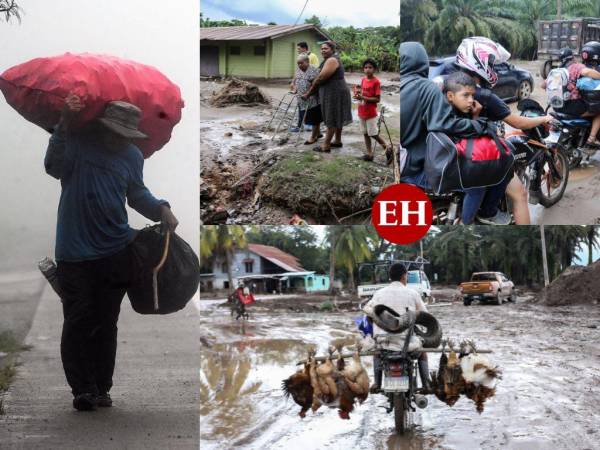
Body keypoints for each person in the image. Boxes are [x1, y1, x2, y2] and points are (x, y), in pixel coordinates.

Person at [44, 94, 179, 411]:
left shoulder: (132, 156)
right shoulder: (76, 143)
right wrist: (63, 123)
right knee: (78, 319)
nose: (120, 141)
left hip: (116, 250)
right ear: (102, 128)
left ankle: (102, 388)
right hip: (74, 252)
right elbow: (52, 167)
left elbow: (137, 193)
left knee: (107, 321)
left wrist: (161, 209)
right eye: (115, 134)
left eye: (126, 136)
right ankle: (82, 388)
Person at [400, 41, 512, 225]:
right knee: (478, 185)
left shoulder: (407, 85)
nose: (469, 99)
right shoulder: (426, 87)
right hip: (416, 168)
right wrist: (482, 126)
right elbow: (444, 125)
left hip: (405, 162)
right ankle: (468, 224)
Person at [443, 72, 530, 224]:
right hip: (458, 163)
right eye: (466, 96)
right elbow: (517, 123)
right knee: (503, 167)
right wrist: (482, 123)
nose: (471, 100)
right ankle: (484, 214)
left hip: (452, 158)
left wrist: (475, 115)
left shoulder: (443, 104)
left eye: (472, 95)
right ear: (450, 96)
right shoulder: (452, 116)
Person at [362, 263, 431, 393]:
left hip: (384, 344)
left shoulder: (379, 294)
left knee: (377, 354)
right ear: (404, 276)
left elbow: (367, 310)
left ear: (390, 277)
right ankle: (426, 384)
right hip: (407, 344)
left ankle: (377, 383)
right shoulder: (413, 293)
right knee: (422, 353)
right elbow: (425, 315)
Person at [302, 41, 353, 153]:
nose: (323, 50)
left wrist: (309, 93)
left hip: (335, 92)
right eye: (321, 49)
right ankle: (337, 140)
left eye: (326, 48)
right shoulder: (327, 60)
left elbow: (321, 78)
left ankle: (326, 145)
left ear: (332, 49)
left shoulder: (332, 60)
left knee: (332, 116)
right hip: (333, 91)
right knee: (337, 116)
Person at [544, 47, 600, 146]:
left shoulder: (557, 70)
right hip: (572, 107)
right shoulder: (576, 66)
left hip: (558, 107)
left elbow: (543, 85)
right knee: (598, 110)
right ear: (573, 57)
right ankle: (592, 138)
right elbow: (587, 72)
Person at [355, 58, 392, 163]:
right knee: (365, 133)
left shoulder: (376, 82)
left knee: (373, 134)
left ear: (374, 69)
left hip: (371, 113)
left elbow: (377, 99)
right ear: (363, 69)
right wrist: (358, 96)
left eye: (370, 67)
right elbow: (362, 94)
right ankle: (370, 154)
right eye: (366, 67)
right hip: (362, 110)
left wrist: (363, 98)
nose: (367, 70)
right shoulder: (363, 80)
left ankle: (388, 149)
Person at [290, 54, 323, 144]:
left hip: (312, 99)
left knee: (314, 119)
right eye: (298, 64)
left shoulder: (314, 71)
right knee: (306, 117)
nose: (299, 65)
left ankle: (313, 137)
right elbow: (295, 80)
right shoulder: (299, 70)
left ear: (307, 62)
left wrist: (308, 94)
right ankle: (318, 133)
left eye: (301, 63)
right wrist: (294, 87)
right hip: (301, 99)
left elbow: (315, 85)